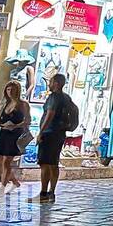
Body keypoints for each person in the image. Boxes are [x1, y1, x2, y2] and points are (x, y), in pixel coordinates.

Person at [32, 73, 74, 204]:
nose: (48, 84)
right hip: (60, 133)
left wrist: (41, 131)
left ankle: (43, 193)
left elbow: (50, 113)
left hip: (50, 133)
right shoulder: (66, 98)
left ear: (56, 83)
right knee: (54, 163)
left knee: (45, 164)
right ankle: (52, 192)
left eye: (50, 81)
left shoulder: (53, 97)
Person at [0, 80, 28, 192]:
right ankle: (15, 182)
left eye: (13, 89)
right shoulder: (6, 104)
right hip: (4, 133)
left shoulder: (23, 104)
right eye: (8, 89)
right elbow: (1, 117)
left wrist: (14, 125)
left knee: (6, 161)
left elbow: (27, 120)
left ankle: (2, 188)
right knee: (0, 162)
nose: (10, 92)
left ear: (18, 91)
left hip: (14, 134)